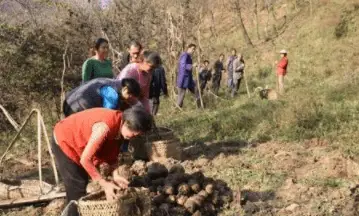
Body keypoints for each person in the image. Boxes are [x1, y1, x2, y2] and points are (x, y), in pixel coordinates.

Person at [52, 107, 152, 216]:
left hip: (82, 144)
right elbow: (85, 160)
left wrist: (115, 175)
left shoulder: (121, 128)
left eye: (137, 134)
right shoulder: (104, 128)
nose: (133, 135)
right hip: (66, 139)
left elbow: (112, 153)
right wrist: (104, 183)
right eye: (133, 131)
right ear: (126, 122)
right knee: (77, 185)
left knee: (83, 180)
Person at [63, 78, 141, 117]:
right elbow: (107, 116)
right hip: (75, 108)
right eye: (131, 96)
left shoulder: (113, 81)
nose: (130, 99)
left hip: (68, 100)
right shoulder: (112, 95)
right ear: (125, 89)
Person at [177, 44, 200, 108]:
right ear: (189, 48)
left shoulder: (189, 57)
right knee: (181, 96)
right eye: (192, 49)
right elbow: (182, 65)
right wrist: (192, 66)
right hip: (183, 79)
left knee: (196, 91)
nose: (193, 50)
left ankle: (200, 106)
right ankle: (177, 110)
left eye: (194, 49)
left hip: (189, 80)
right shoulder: (184, 55)